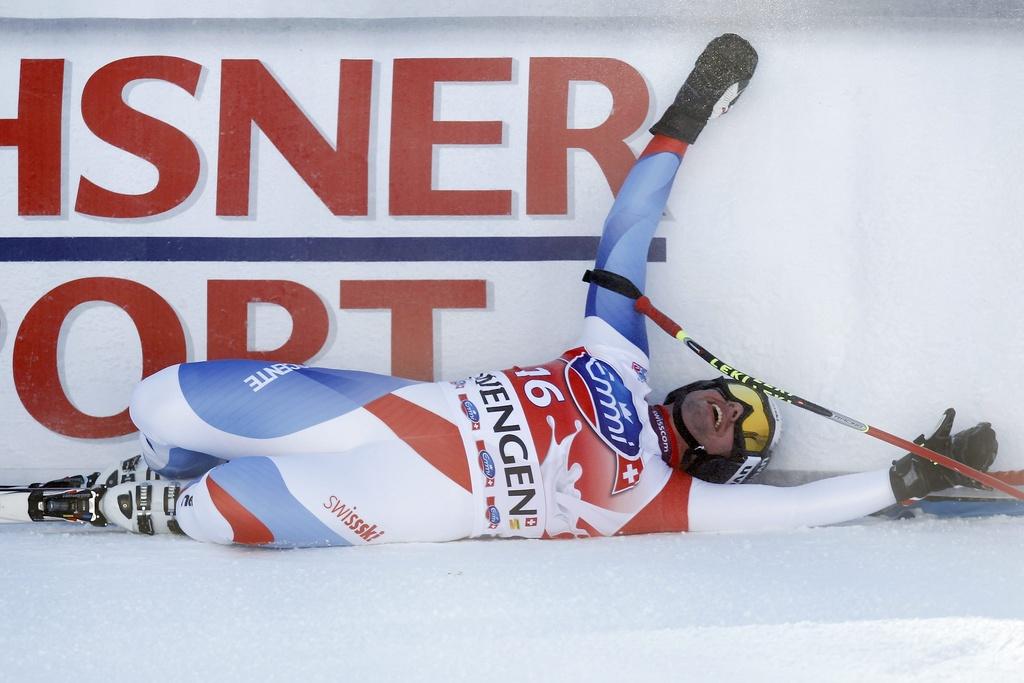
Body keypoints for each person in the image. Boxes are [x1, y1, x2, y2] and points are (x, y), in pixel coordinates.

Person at [1, 34, 999, 547]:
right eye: (733, 395)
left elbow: (797, 513)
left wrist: (904, 479)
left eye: (738, 428)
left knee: (221, 510)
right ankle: (154, 476)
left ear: (719, 462)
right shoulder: (617, 356)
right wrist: (686, 120)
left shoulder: (659, 500)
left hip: (388, 498)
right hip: (374, 408)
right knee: (159, 396)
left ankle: (140, 503)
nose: (722, 407)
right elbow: (624, 233)